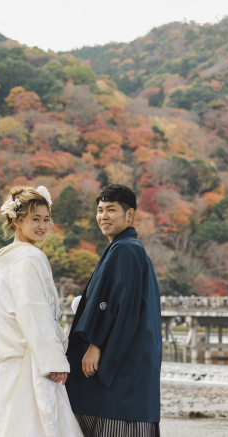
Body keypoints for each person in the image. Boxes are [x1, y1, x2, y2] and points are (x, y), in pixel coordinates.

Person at [0, 185, 83, 437]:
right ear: (16, 220)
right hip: (28, 363)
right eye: (35, 219)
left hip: (1, 368)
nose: (42, 225)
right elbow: (34, 311)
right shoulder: (30, 258)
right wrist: (53, 359)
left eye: (46, 219)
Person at [65, 184, 162, 436]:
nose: (103, 216)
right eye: (99, 210)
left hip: (122, 355)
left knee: (110, 414)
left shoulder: (125, 248)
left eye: (111, 210)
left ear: (129, 215)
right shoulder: (125, 247)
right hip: (139, 355)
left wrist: (95, 345)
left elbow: (121, 304)